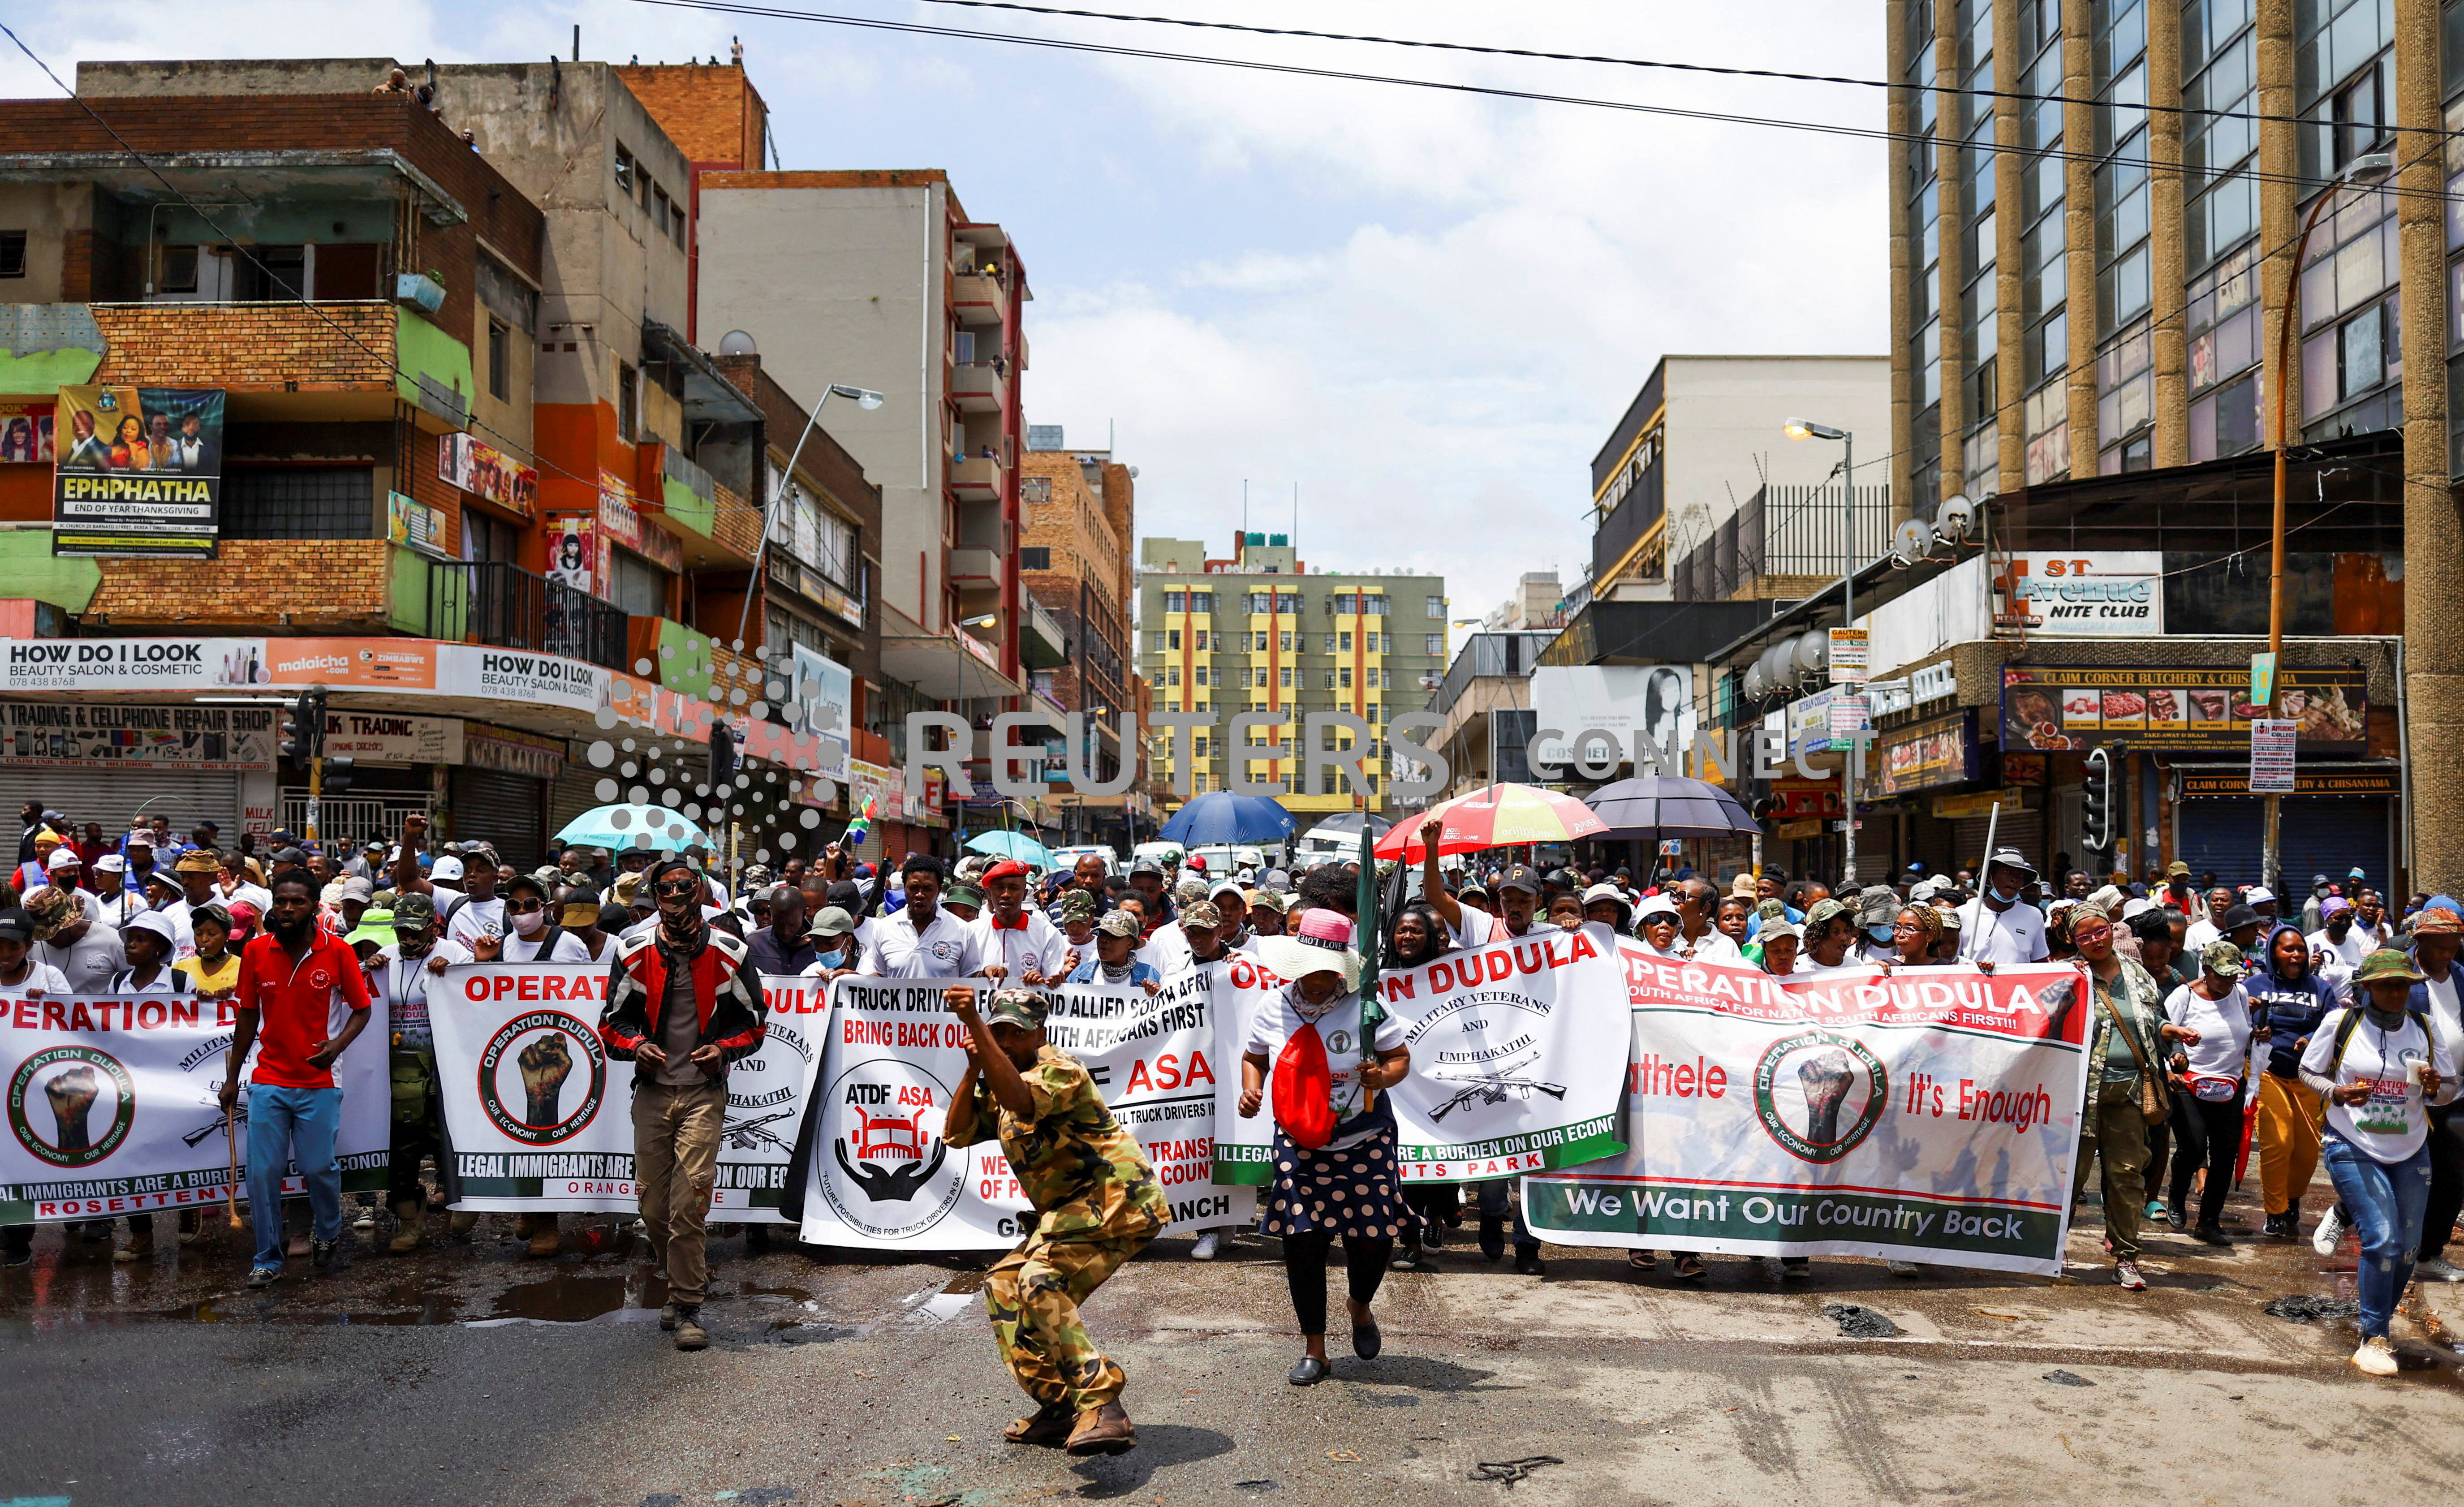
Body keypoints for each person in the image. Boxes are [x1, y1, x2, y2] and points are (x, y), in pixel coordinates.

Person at [943, 985, 1161, 1455]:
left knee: (1040, 1281)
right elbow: (957, 1133)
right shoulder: (999, 1076)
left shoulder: (1058, 1068)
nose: (1003, 1040)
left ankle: (1103, 1404)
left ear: (1038, 1031)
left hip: (1119, 1202)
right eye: (997, 1030)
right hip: (1071, 1213)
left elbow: (1023, 1101)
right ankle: (1061, 1407)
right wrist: (975, 1064)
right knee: (1002, 1284)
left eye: (1012, 1033)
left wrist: (977, 1030)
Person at [597, 857, 767, 1351]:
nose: (675, 896)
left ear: (698, 892)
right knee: (653, 1207)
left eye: (683, 888)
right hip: (652, 1092)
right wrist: (635, 1047)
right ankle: (679, 1284)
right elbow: (610, 1024)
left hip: (702, 1094)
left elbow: (755, 1025)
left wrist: (723, 1049)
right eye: (665, 890)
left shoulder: (731, 951)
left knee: (690, 1202)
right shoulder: (631, 951)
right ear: (655, 896)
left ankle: (689, 1306)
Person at [1241, 908, 1411, 1386]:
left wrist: (1383, 1074)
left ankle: (1359, 1304)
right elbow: (1253, 1058)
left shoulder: (1368, 1005)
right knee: (1304, 1244)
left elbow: (1399, 1058)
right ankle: (1315, 1348)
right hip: (1299, 1143)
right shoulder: (1271, 1006)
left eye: (1325, 973)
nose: (1315, 981)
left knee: (1373, 1239)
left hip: (1364, 1138)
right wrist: (1250, 1089)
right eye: (1306, 970)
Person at [2303, 950, 2458, 1374]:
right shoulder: (2342, 1023)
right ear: (2367, 987)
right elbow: (2308, 1071)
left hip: (2411, 1149)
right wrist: (2337, 1093)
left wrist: (2433, 1086)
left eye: (2404, 984)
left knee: (2408, 1248)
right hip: (2352, 1142)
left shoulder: (2424, 1028)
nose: (2396, 992)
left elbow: (2446, 1092)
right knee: (2384, 1239)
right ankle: (2375, 1338)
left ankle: (2378, 1324)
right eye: (2387, 984)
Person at [221, 874, 374, 1288]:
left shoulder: (338, 951)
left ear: (313, 908)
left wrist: (336, 1046)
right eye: (282, 901)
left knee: (316, 1167)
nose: (288, 909)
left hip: (320, 1080)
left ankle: (328, 1228)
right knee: (262, 1171)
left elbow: (362, 1010)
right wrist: (232, 1078)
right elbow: (247, 1017)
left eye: (298, 903)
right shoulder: (255, 951)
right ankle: (267, 1258)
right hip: (269, 1078)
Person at [2069, 904, 2181, 1291]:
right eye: (2084, 936)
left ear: (2111, 930)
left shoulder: (2138, 975)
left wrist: (2173, 1034)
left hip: (2132, 1093)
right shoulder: (2068, 976)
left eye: (2099, 931)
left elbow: (2155, 1021)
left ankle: (2126, 1258)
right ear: (2074, 941)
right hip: (2080, 1096)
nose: (2094, 940)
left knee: (2127, 1177)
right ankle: (2049, 1251)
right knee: (2071, 1175)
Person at [364, 892, 472, 1254]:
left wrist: (455, 975)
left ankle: (467, 1201)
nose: (407, 939)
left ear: (432, 926)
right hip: (401, 1072)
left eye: (414, 931)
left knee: (450, 1138)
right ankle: (411, 1220)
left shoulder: (456, 953)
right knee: (404, 1148)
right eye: (401, 932)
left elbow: (478, 999)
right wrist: (369, 969)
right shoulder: (386, 958)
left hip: (446, 1068)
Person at [2160, 941, 2263, 1245]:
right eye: (2222, 976)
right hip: (2188, 1085)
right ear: (2206, 972)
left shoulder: (2241, 994)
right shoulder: (2185, 996)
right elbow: (2163, 1033)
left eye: (2234, 976)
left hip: (2230, 1085)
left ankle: (2208, 1222)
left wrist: (2258, 1035)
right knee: (2193, 1146)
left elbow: (2243, 1032)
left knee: (2225, 1154)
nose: (2229, 983)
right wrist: (2169, 1069)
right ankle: (2177, 1197)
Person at [2406, 909, 2464, 1281]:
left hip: (2457, 1094)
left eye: (2454, 947)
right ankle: (2347, 1213)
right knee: (2407, 1174)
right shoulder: (2402, 979)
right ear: (2420, 942)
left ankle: (2428, 1254)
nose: (2448, 955)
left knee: (2454, 1177)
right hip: (2410, 1095)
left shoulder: (2461, 977)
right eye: (2441, 948)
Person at [859, 855, 986, 978]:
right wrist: (853, 981)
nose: (920, 895)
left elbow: (971, 980)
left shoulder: (963, 931)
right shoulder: (884, 928)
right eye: (914, 888)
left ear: (939, 890)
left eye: (928, 888)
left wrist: (985, 974)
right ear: (905, 888)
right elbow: (881, 977)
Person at [976, 859, 1070, 985]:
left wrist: (1042, 981)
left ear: (1025, 894)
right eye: (1000, 888)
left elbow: (1054, 984)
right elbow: (961, 977)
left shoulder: (1047, 933)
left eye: (1014, 888)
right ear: (990, 893)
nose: (1006, 895)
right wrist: (982, 973)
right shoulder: (973, 932)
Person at [1957, 849, 2049, 967]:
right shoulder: (1964, 913)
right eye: (2007, 872)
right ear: (1991, 875)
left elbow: (2040, 964)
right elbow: (1951, 962)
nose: (2014, 880)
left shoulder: (2034, 916)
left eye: (2020, 875)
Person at [26, 885, 123, 991]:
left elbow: (133, 985)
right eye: (41, 935)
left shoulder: (113, 941)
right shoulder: (32, 945)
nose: (46, 939)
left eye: (52, 934)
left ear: (69, 923)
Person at [1066, 911, 1162, 992]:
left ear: (1130, 944)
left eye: (1114, 936)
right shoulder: (1080, 974)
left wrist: (1156, 993)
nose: (1104, 940)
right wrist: (1060, 986)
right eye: (1102, 934)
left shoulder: (1149, 975)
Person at [745, 884, 817, 976]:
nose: (786, 932)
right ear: (772, 913)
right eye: (779, 925)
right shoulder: (754, 944)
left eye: (792, 925)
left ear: (803, 914)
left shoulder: (821, 944)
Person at [799, 907, 862, 977]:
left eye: (830, 943)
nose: (823, 949)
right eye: (817, 943)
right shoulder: (810, 974)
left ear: (848, 942)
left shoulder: (866, 968)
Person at [1879, 905, 1943, 972]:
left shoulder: (1946, 969)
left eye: (1909, 929)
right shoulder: (1886, 967)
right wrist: (1873, 970)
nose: (1901, 935)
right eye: (1898, 927)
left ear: (1929, 936)